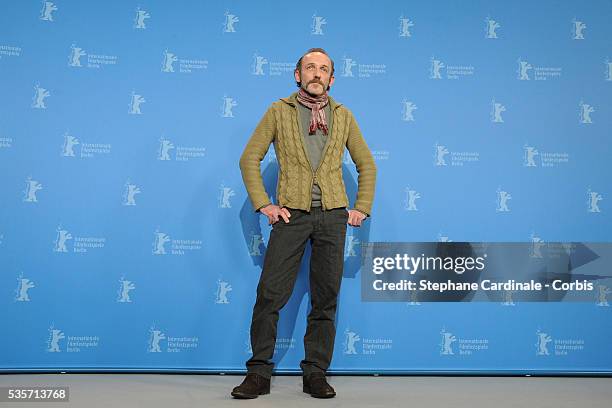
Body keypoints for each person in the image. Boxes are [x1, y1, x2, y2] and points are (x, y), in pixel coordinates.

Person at [233, 48, 377, 399]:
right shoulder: (279, 111)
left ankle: (315, 373)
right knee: (269, 294)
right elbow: (249, 158)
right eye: (310, 67)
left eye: (323, 69)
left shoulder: (342, 115)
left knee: (325, 298)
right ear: (297, 75)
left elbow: (367, 165)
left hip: (332, 218)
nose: (316, 73)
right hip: (291, 215)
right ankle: (258, 373)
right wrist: (264, 204)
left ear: (331, 78)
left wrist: (361, 207)